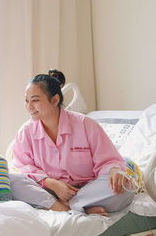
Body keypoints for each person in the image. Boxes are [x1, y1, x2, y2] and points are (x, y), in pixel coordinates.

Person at [11, 74, 133, 215]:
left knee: (126, 188)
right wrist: (52, 184)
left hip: (88, 190)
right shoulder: (26, 132)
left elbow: (109, 160)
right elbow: (24, 167)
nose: (29, 106)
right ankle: (74, 208)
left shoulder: (85, 125)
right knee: (10, 180)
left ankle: (66, 205)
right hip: (48, 189)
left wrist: (114, 172)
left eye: (35, 100)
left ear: (55, 99)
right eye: (26, 101)